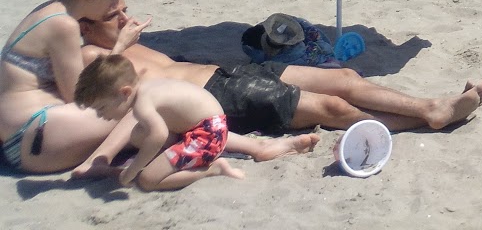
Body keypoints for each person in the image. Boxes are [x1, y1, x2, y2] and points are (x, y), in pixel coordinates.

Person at [77, 4, 482, 135]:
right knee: (332, 110)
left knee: (344, 79)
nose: (124, 15)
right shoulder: (91, 57)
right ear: (85, 23)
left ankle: (428, 105)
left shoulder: (122, 42)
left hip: (226, 72)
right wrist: (119, 46)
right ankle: (427, 116)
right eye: (113, 12)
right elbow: (98, 103)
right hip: (217, 98)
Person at [72, 54, 317, 189]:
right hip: (211, 125)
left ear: (125, 93)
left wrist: (133, 170)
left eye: (102, 108)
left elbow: (157, 136)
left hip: (207, 134)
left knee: (147, 180)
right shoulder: (147, 87)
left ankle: (212, 170)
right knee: (138, 134)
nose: (101, 116)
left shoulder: (142, 104)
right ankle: (255, 150)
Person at [0, 0, 141, 174]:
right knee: (141, 106)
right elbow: (79, 96)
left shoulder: (50, 9)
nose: (115, 5)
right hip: (34, 134)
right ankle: (95, 164)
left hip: (23, 134)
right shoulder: (63, 25)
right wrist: (120, 48)